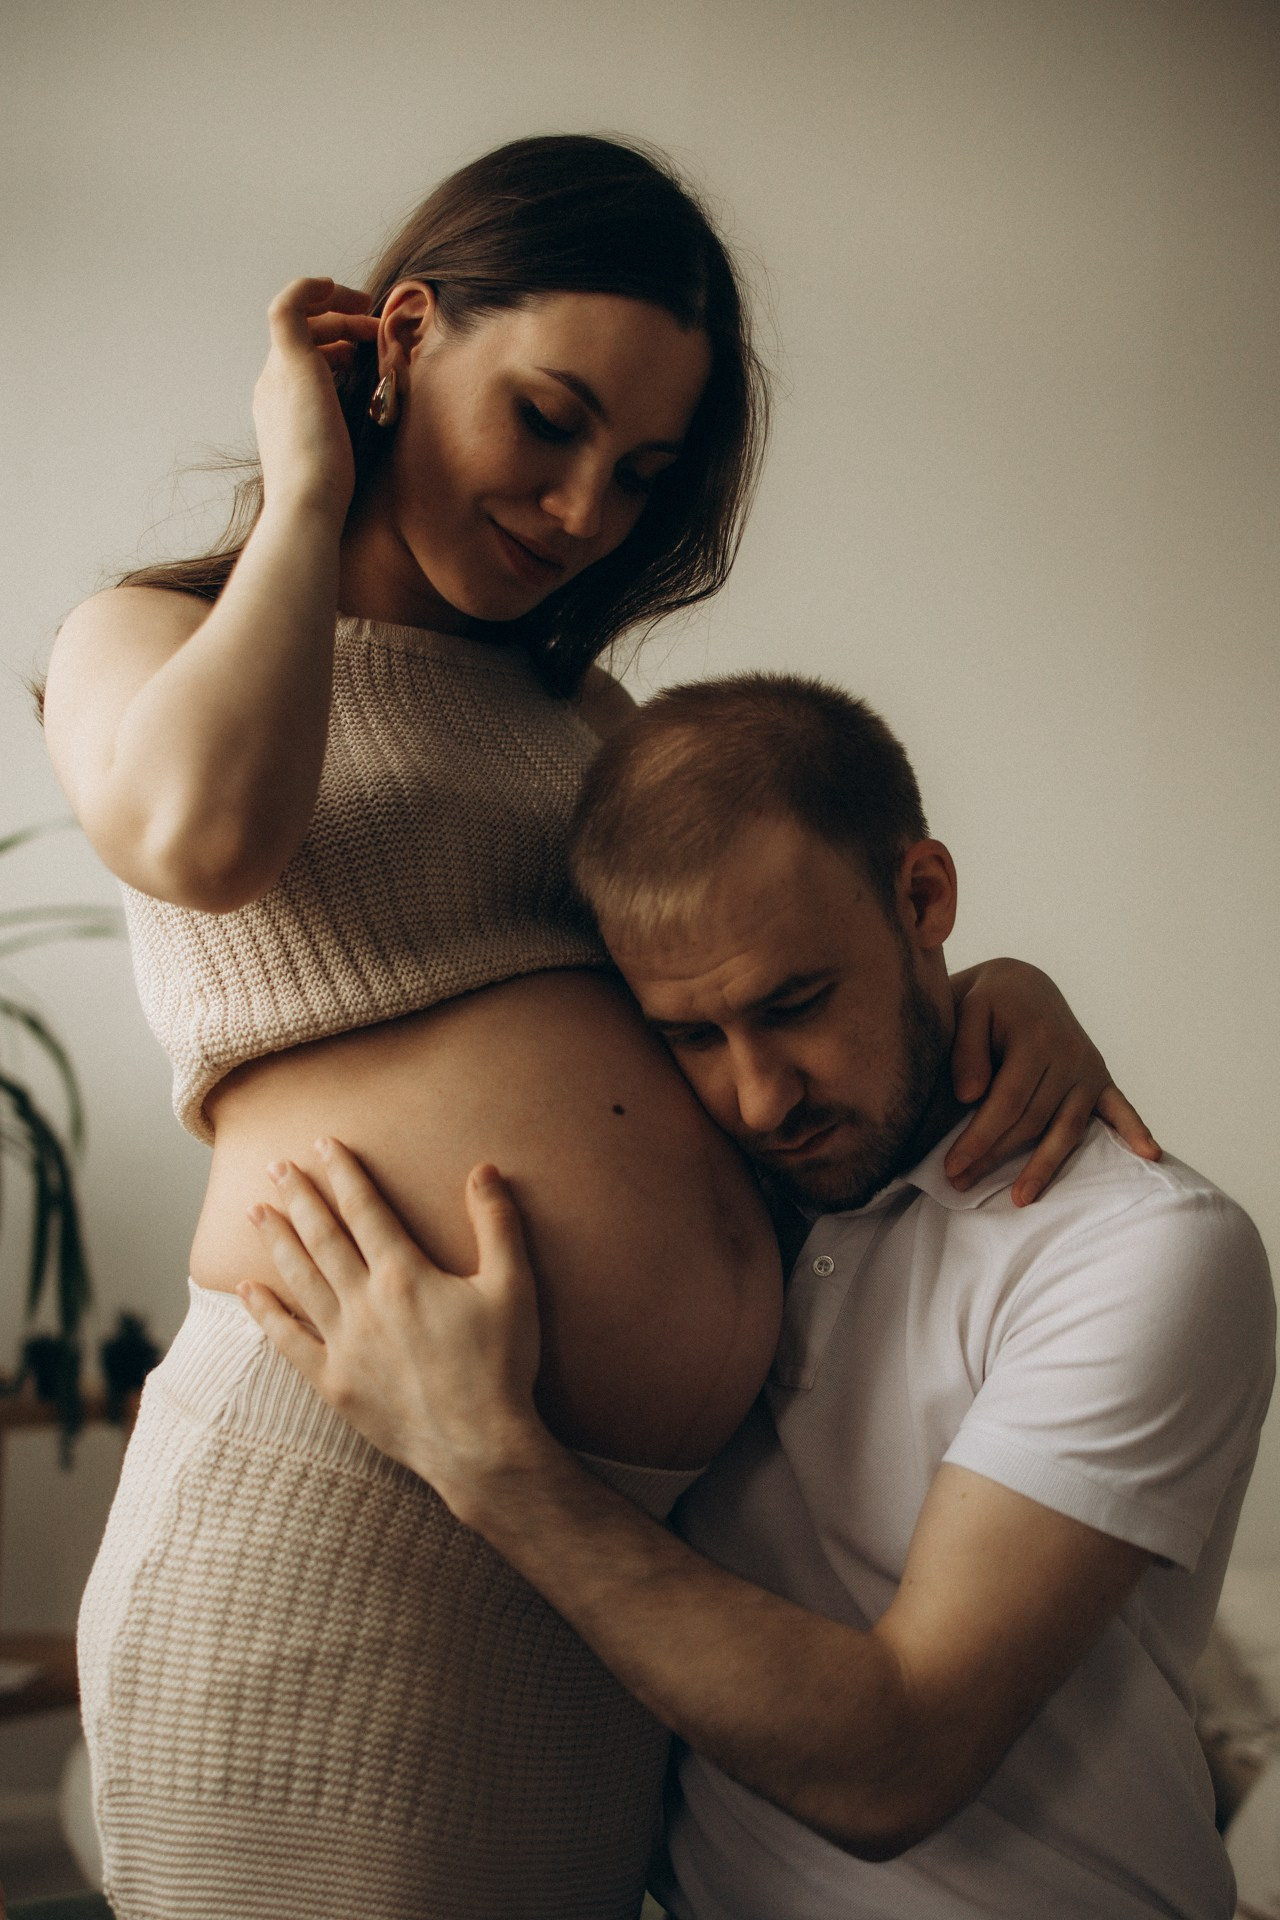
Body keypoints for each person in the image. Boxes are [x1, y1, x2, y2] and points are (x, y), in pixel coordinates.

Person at [44, 133, 1150, 1919]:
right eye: (546, 421)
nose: (579, 514)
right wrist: (306, 480)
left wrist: (988, 990)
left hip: (598, 1583)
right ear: (401, 336)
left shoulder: (588, 722)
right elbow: (202, 838)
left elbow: (754, 1009)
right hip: (328, 1529)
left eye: (638, 475)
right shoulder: (147, 637)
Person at [241, 673, 1274, 1920]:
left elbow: (898, 1762)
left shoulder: (1140, 1252)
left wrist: (485, 1457)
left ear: (922, 897)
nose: (759, 1097)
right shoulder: (721, 1194)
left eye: (796, 1005)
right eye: (688, 1036)